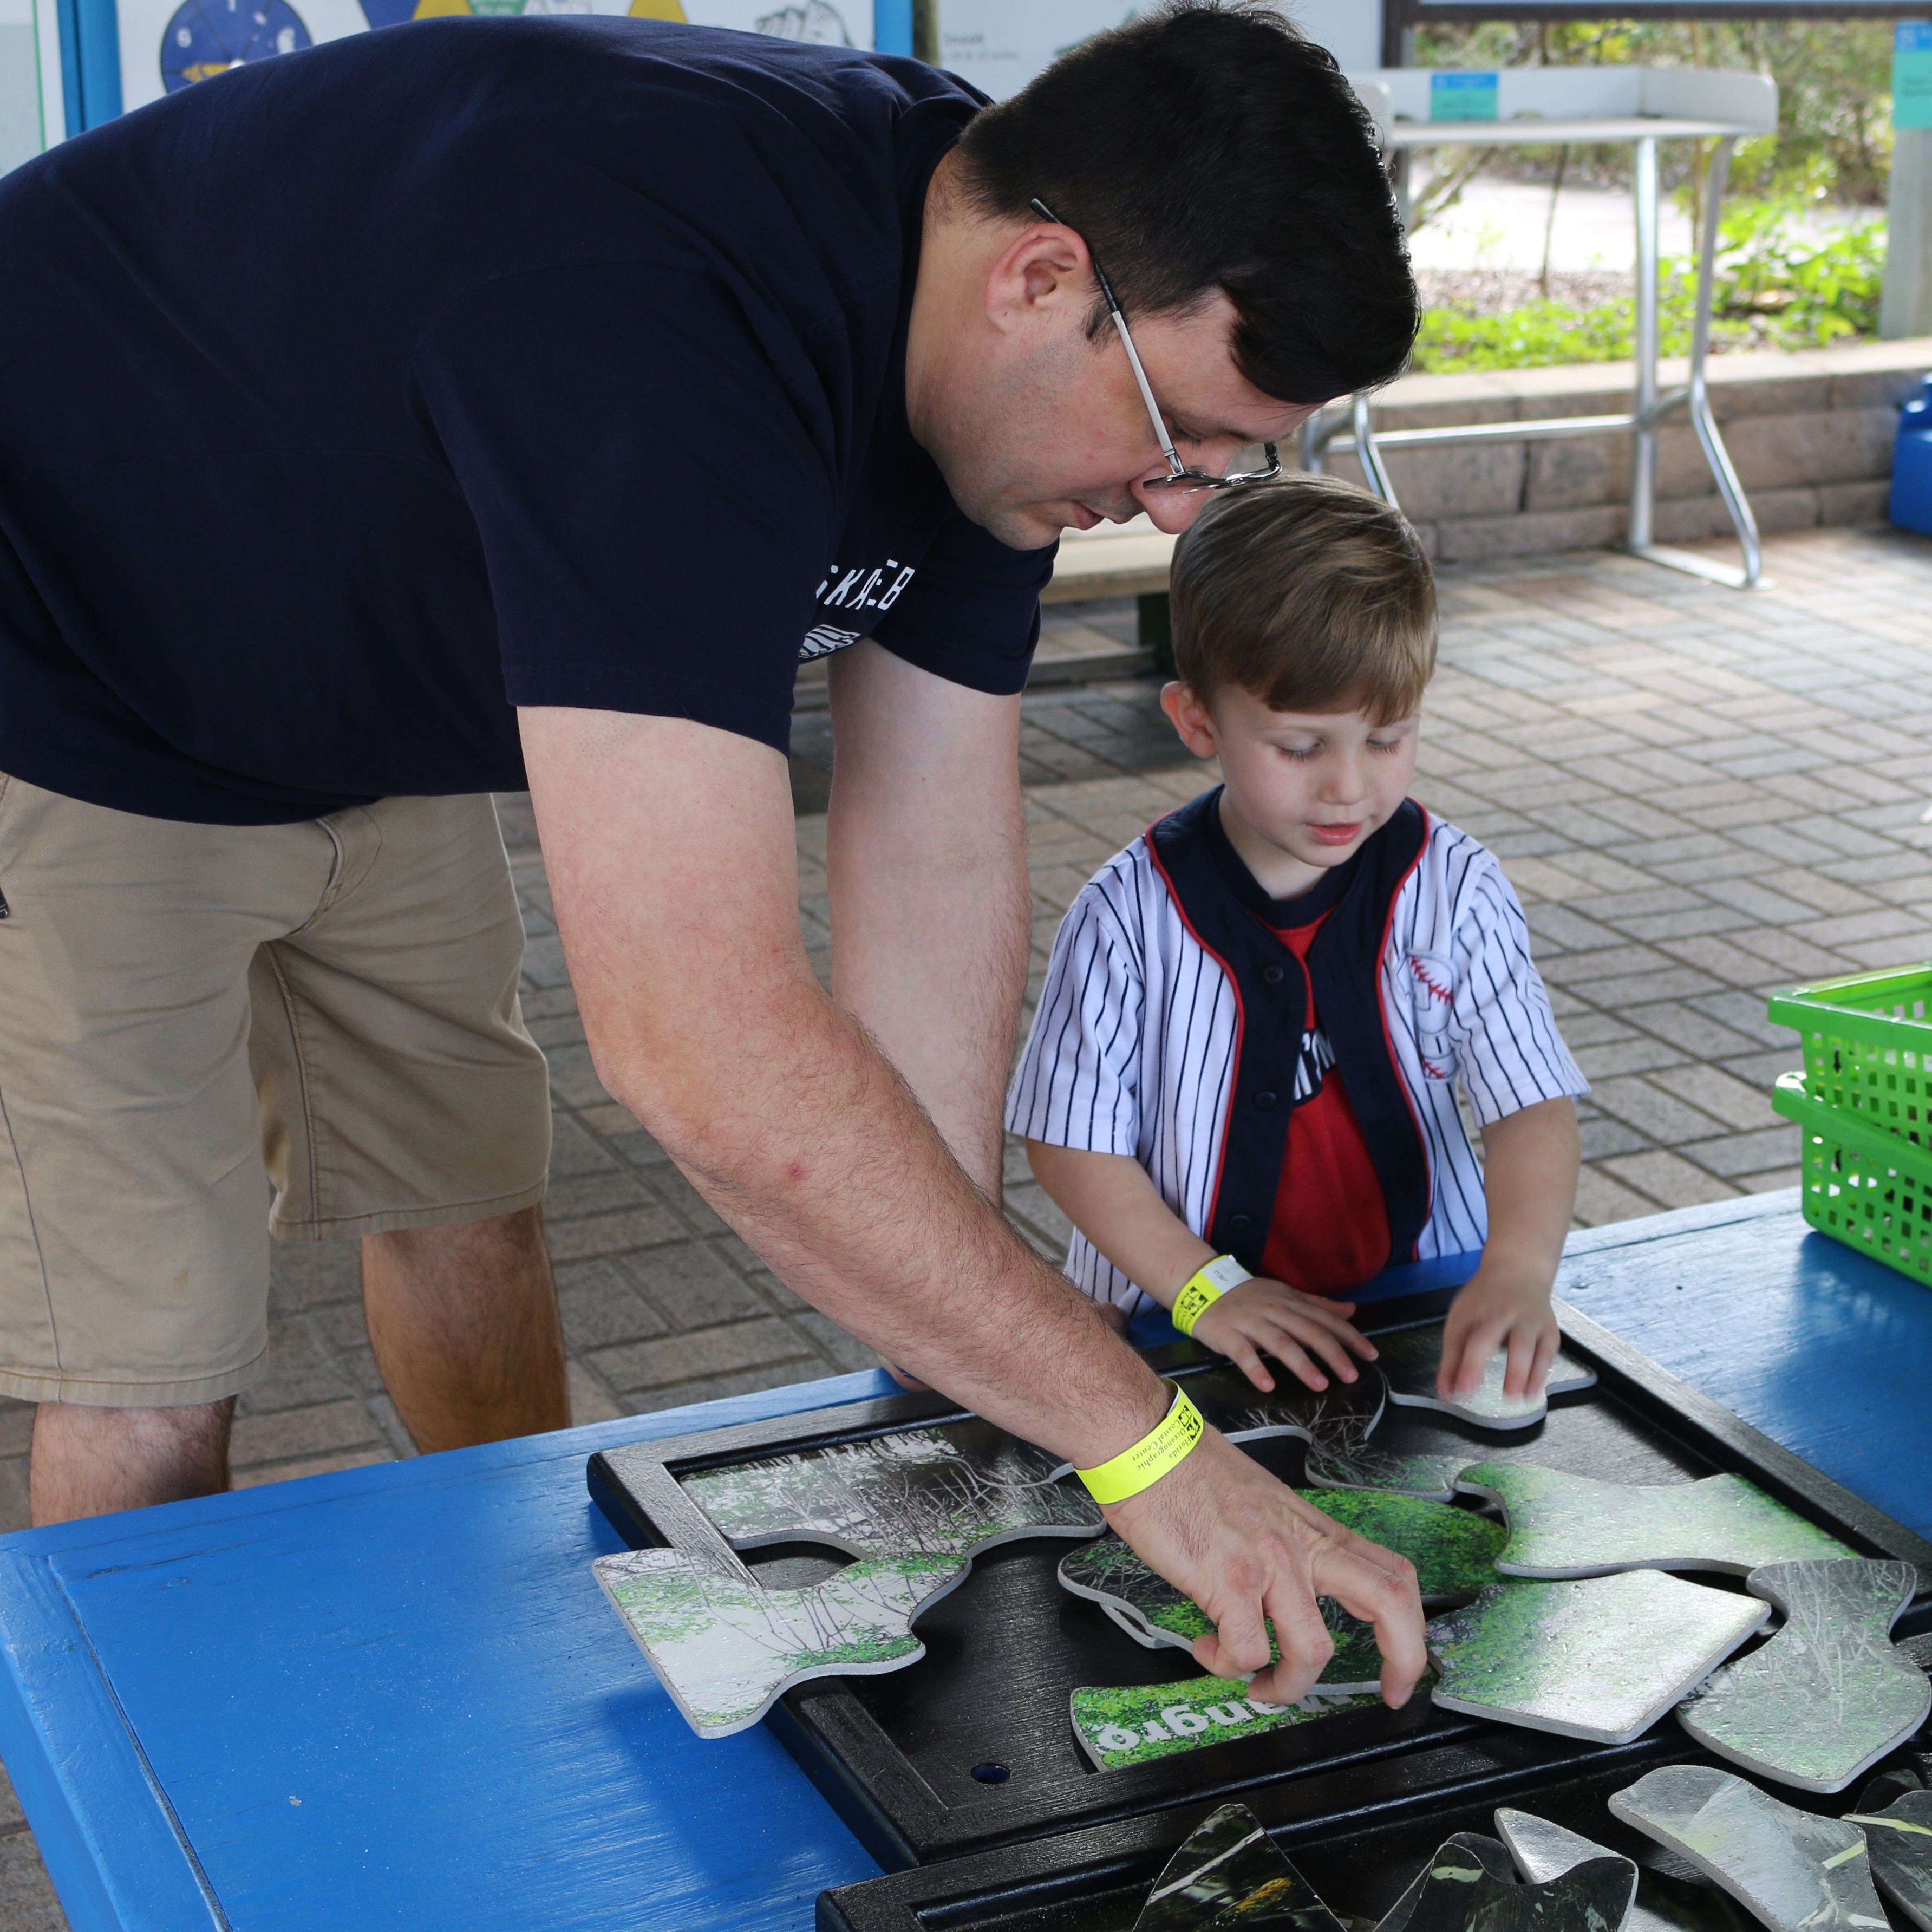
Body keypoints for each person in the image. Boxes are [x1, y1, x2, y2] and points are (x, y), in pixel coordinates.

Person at [0, 3, 1425, 1703]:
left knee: (465, 1201)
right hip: (65, 653)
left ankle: (516, 1639)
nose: (1185, 505)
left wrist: (961, 1355)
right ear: (1043, 281)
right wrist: (1153, 1453)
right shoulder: (654, 314)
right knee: (157, 1354)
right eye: (1181, 439)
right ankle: (147, 1827)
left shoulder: (986, 376)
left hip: (353, 677)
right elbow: (697, 1047)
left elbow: (937, 879)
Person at [1009, 477, 1587, 1406]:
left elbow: (1532, 1105)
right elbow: (1070, 1145)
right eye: (1300, 747)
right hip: (1177, 1332)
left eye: (1388, 737)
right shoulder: (1127, 917)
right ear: (1196, 720)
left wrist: (1518, 1270)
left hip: (1420, 1315)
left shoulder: (1457, 886)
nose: (1348, 789)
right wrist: (1210, 1293)